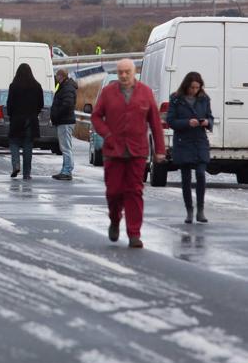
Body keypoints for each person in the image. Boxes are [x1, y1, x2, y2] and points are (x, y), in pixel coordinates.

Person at [91, 59, 166, 248]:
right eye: (120, 72)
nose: (123, 76)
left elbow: (156, 123)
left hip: (137, 151)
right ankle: (115, 220)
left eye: (127, 72)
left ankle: (134, 233)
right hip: (114, 151)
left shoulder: (145, 93)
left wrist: (160, 150)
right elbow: (96, 116)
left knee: (134, 192)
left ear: (134, 73)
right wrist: (107, 134)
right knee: (114, 192)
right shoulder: (108, 92)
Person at [167, 72, 213, 224]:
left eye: (197, 88)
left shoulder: (204, 99)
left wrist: (207, 122)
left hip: (200, 141)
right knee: (185, 178)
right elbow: (171, 121)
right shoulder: (176, 99)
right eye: (192, 87)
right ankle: (189, 210)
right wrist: (187, 123)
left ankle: (201, 209)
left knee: (201, 173)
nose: (194, 90)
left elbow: (210, 117)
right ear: (186, 85)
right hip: (183, 142)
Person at [6, 63, 44, 180]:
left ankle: (16, 165)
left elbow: (9, 104)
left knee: (14, 143)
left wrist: (11, 115)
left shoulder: (13, 86)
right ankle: (27, 173)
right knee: (28, 146)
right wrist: (34, 113)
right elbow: (41, 104)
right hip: (31, 121)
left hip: (17, 120)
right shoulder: (37, 86)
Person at [50, 69, 78, 180]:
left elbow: (67, 105)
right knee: (65, 147)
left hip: (65, 121)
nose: (56, 78)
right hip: (64, 121)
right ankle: (65, 169)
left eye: (57, 76)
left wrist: (57, 114)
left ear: (61, 76)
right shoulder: (66, 87)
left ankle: (67, 171)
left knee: (66, 148)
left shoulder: (67, 88)